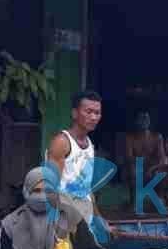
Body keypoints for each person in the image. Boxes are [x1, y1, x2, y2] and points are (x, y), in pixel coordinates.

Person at [46, 90, 116, 238]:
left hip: (85, 221)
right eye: (88, 112)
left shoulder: (90, 145)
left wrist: (98, 218)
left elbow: (87, 188)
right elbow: (50, 188)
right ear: (75, 113)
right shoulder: (62, 142)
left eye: (97, 113)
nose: (93, 117)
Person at [123, 110, 165, 210]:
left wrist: (152, 169)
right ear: (136, 121)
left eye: (146, 118)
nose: (144, 121)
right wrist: (137, 169)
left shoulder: (157, 137)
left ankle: (160, 200)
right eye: (141, 118)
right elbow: (129, 158)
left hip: (152, 168)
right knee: (132, 171)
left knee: (163, 172)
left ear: (150, 121)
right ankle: (134, 201)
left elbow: (162, 158)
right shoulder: (130, 138)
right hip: (137, 168)